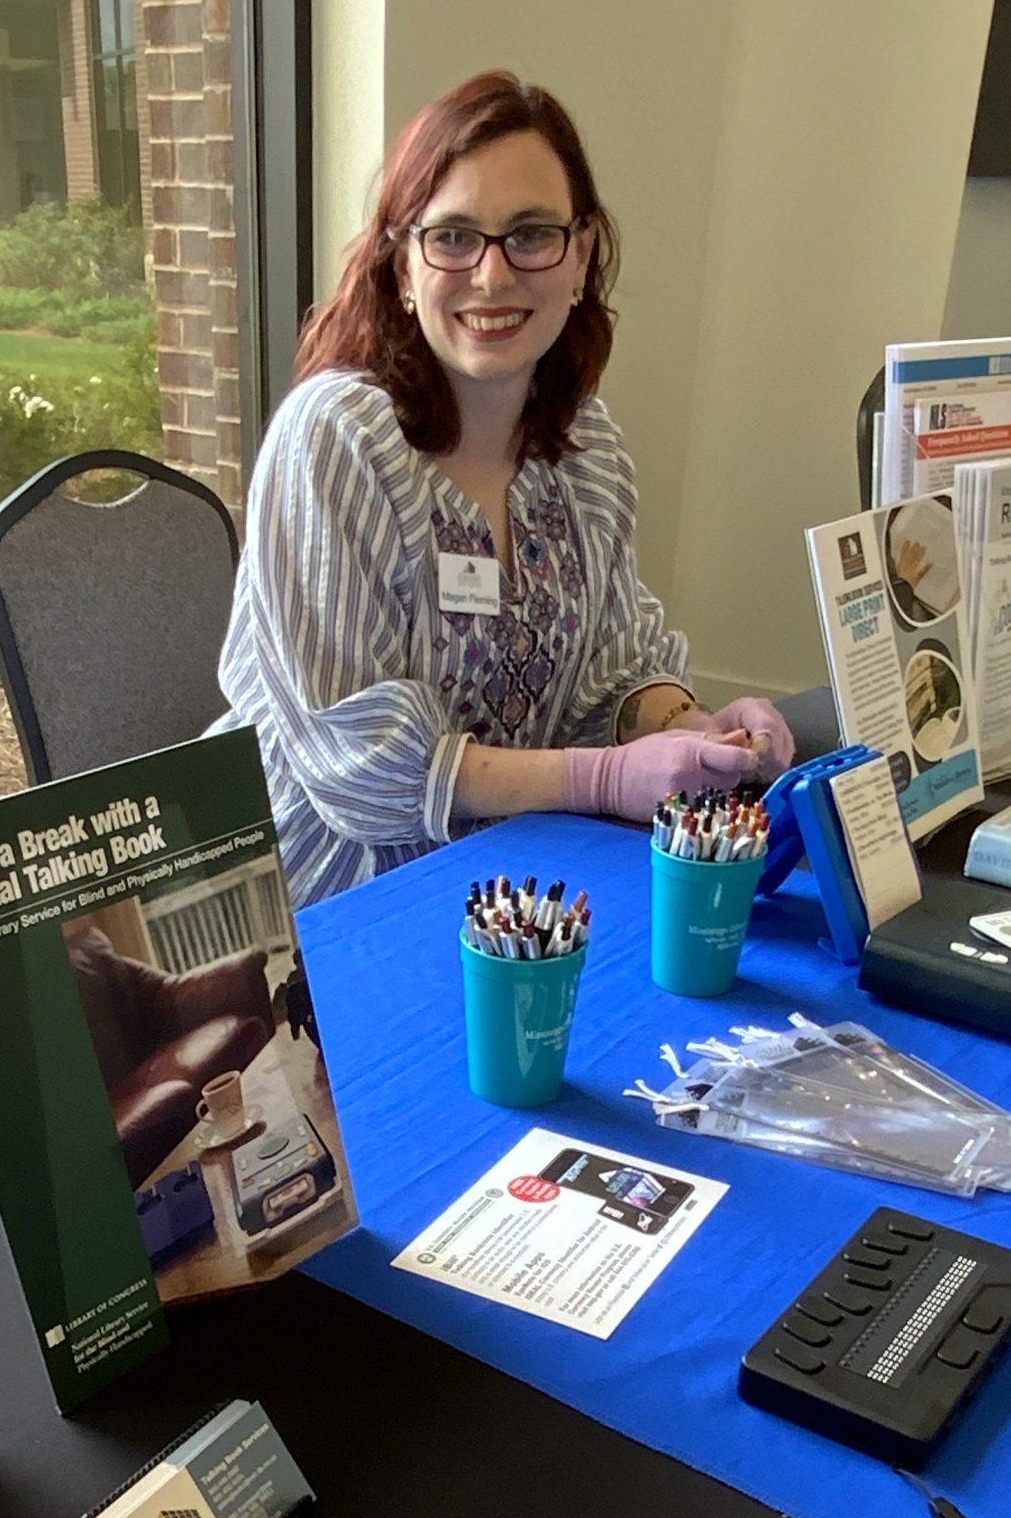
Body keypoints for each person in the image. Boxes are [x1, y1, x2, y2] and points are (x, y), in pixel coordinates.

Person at [212, 70, 795, 903]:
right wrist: (600, 781)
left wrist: (694, 731)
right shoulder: (337, 438)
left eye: (530, 235)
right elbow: (360, 769)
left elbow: (616, 667)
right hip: (323, 910)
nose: (491, 276)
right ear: (403, 267)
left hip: (514, 890)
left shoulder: (587, 450)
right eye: (451, 237)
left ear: (582, 254)